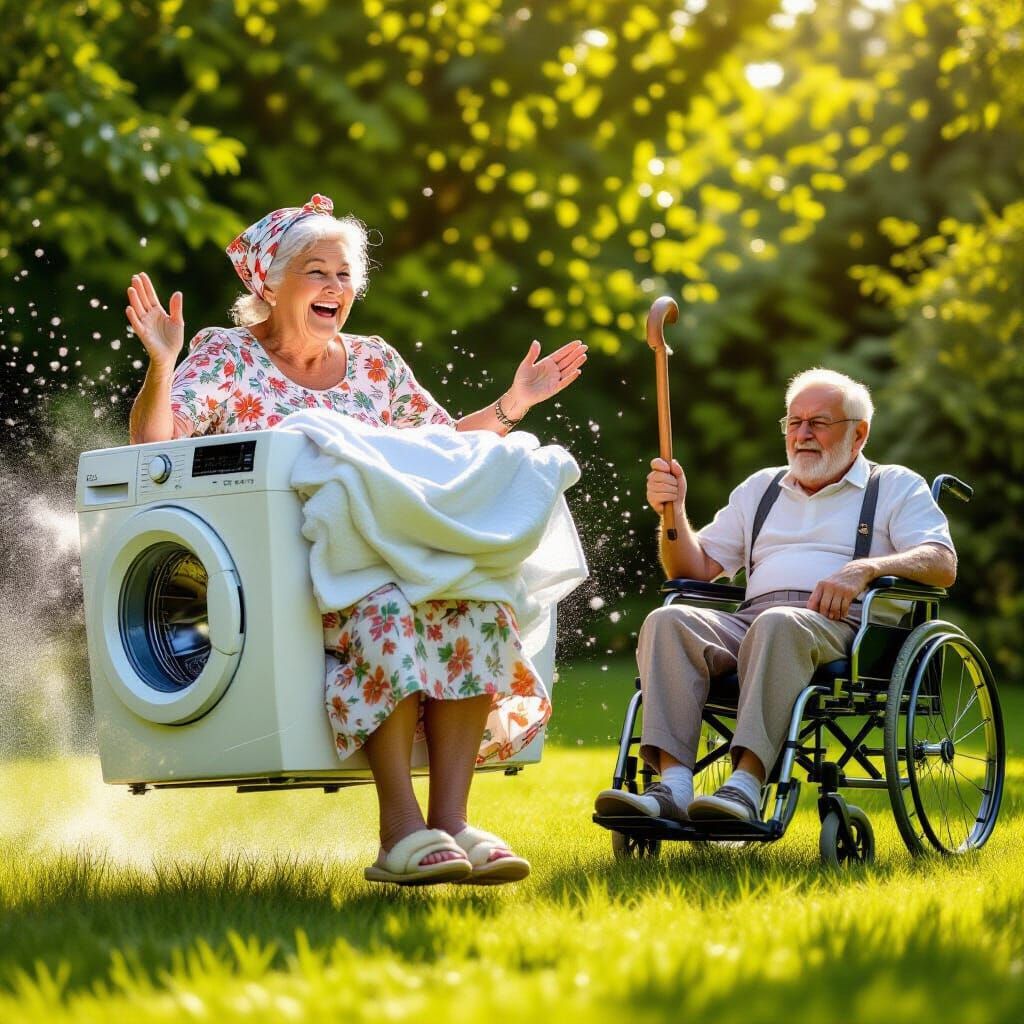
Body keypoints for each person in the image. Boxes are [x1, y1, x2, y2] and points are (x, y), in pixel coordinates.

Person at [127, 194, 588, 885]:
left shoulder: (375, 363)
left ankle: (453, 822)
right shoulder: (225, 356)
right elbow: (151, 449)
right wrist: (162, 364)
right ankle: (400, 832)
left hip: (389, 552)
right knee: (387, 615)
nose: (335, 289)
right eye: (317, 272)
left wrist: (511, 406)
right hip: (285, 575)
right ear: (269, 283)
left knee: (476, 604)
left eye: (345, 276)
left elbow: (439, 451)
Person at [595, 368, 956, 823]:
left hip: (841, 626)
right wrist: (674, 511)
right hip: (752, 620)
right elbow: (692, 570)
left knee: (780, 622)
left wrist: (866, 569)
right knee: (668, 619)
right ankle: (672, 787)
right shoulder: (761, 488)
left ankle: (745, 787)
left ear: (859, 433)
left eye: (818, 423)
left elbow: (941, 561)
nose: (801, 435)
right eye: (793, 422)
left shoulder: (894, 485)